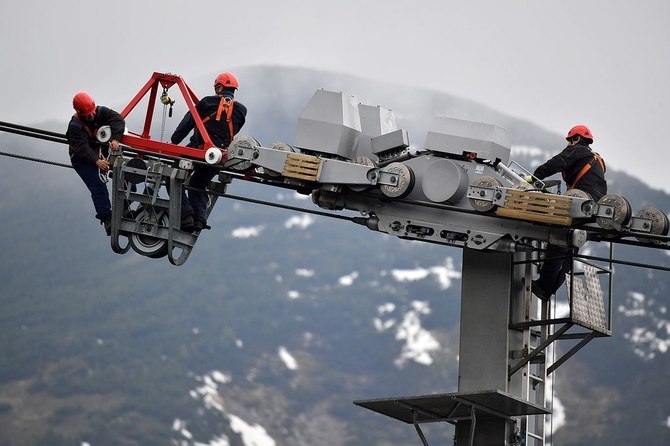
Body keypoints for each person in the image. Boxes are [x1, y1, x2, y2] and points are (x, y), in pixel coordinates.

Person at [529, 124, 607, 301]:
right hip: (595, 208)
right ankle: (549, 289)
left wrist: (534, 177)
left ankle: (542, 286)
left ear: (577, 139)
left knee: (558, 241)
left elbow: (556, 163)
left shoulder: (577, 151)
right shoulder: (598, 160)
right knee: (571, 246)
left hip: (580, 201)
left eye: (571, 140)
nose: (569, 144)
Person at [170, 72, 247, 232]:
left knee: (171, 177)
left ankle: (186, 216)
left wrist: (174, 140)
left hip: (197, 150)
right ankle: (199, 220)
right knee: (198, 184)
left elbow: (187, 122)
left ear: (219, 87)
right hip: (219, 157)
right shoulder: (241, 111)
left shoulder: (206, 103)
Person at [67, 92, 125, 236]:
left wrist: (116, 139)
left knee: (123, 174)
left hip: (101, 153)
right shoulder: (75, 127)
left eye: (92, 113)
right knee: (97, 185)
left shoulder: (101, 112)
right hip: (83, 160)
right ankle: (107, 218)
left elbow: (118, 120)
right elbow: (82, 148)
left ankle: (126, 208)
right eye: (88, 116)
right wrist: (96, 161)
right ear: (80, 113)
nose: (92, 117)